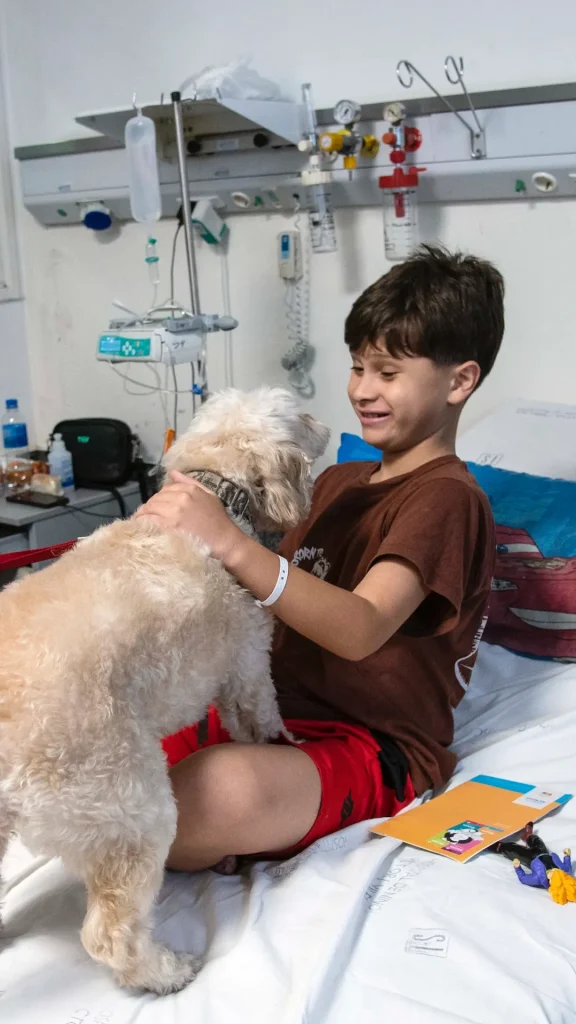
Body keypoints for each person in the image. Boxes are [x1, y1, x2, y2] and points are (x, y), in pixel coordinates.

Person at [135, 244, 504, 873]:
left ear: (459, 381)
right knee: (91, 747)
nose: (362, 390)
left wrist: (229, 540)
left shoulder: (447, 498)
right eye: (357, 367)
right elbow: (261, 591)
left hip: (370, 742)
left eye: (387, 373)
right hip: (266, 713)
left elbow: (359, 628)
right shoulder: (338, 482)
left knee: (207, 796)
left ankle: (227, 825)